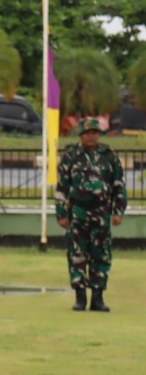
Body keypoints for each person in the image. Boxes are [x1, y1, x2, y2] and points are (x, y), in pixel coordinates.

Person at [57, 116, 126, 312]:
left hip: (101, 213)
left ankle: (98, 298)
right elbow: (62, 186)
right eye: (87, 133)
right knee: (77, 254)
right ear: (80, 135)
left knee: (101, 254)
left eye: (94, 133)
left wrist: (118, 210)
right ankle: (80, 297)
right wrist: (61, 213)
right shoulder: (71, 156)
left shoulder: (108, 155)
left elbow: (118, 184)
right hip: (77, 213)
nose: (91, 137)